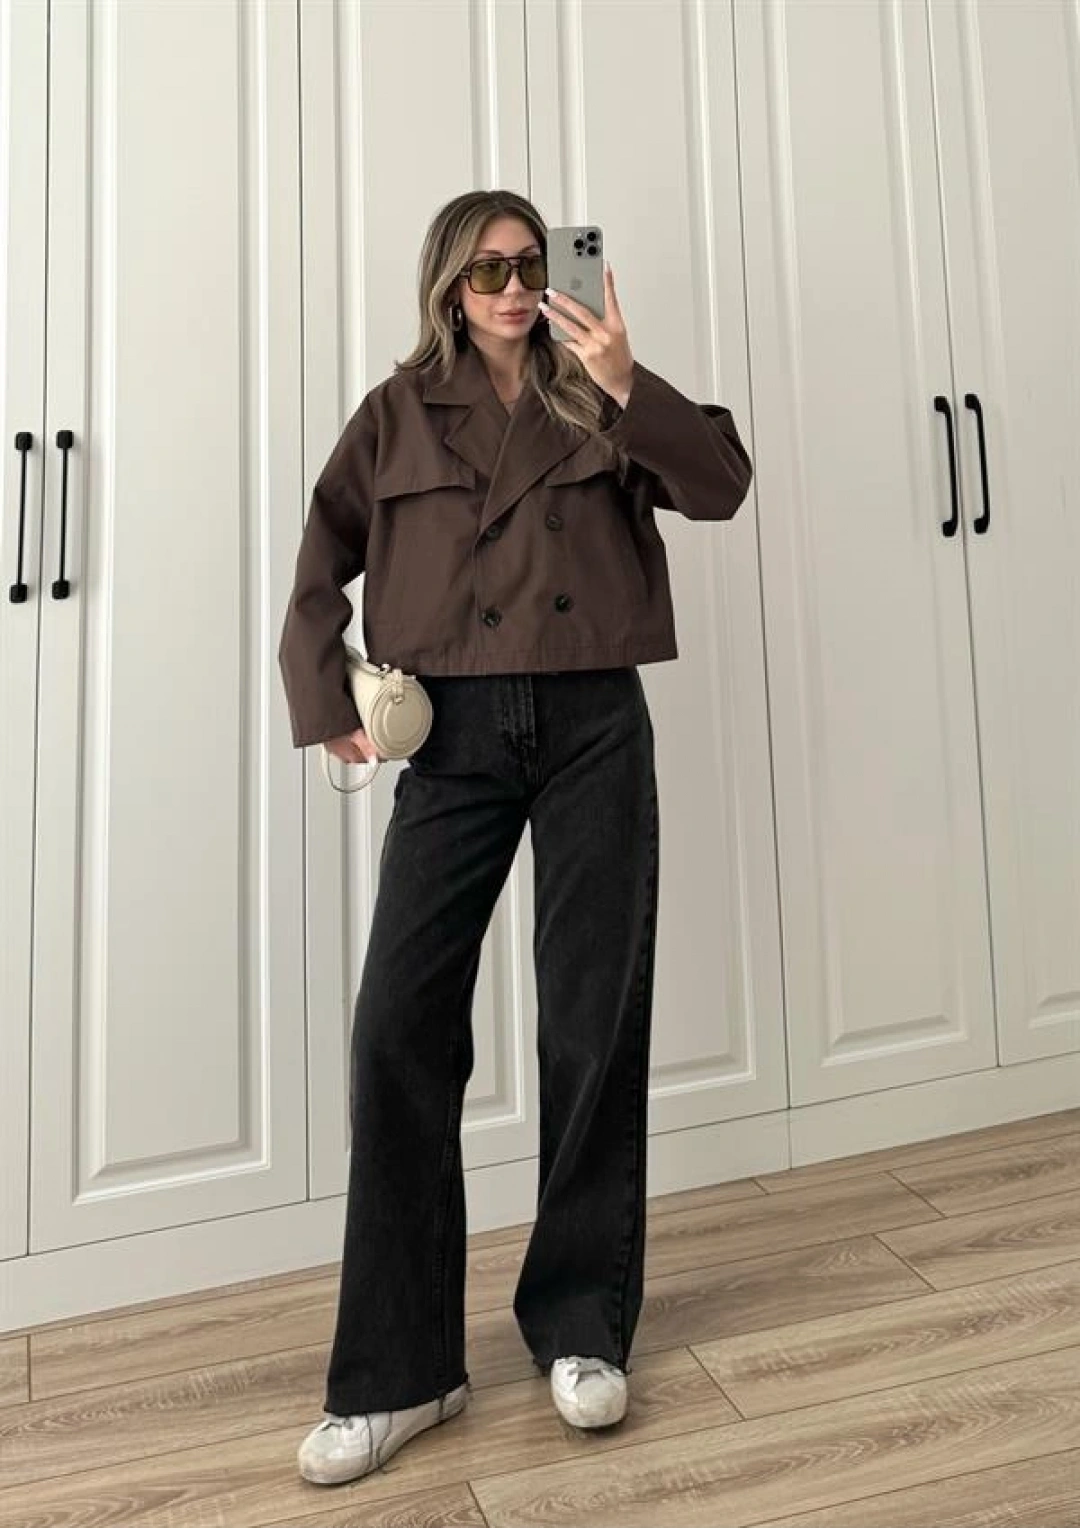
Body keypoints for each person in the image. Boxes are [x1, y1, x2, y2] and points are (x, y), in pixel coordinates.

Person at [277, 188, 753, 1486]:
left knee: (592, 1019)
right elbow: (320, 555)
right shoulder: (396, 413)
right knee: (399, 1026)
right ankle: (400, 1372)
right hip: (453, 737)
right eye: (486, 267)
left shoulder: (599, 391)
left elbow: (722, 486)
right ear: (448, 283)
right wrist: (326, 703)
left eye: (531, 263)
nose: (512, 284)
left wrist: (629, 378)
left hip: (595, 719)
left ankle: (582, 1326)